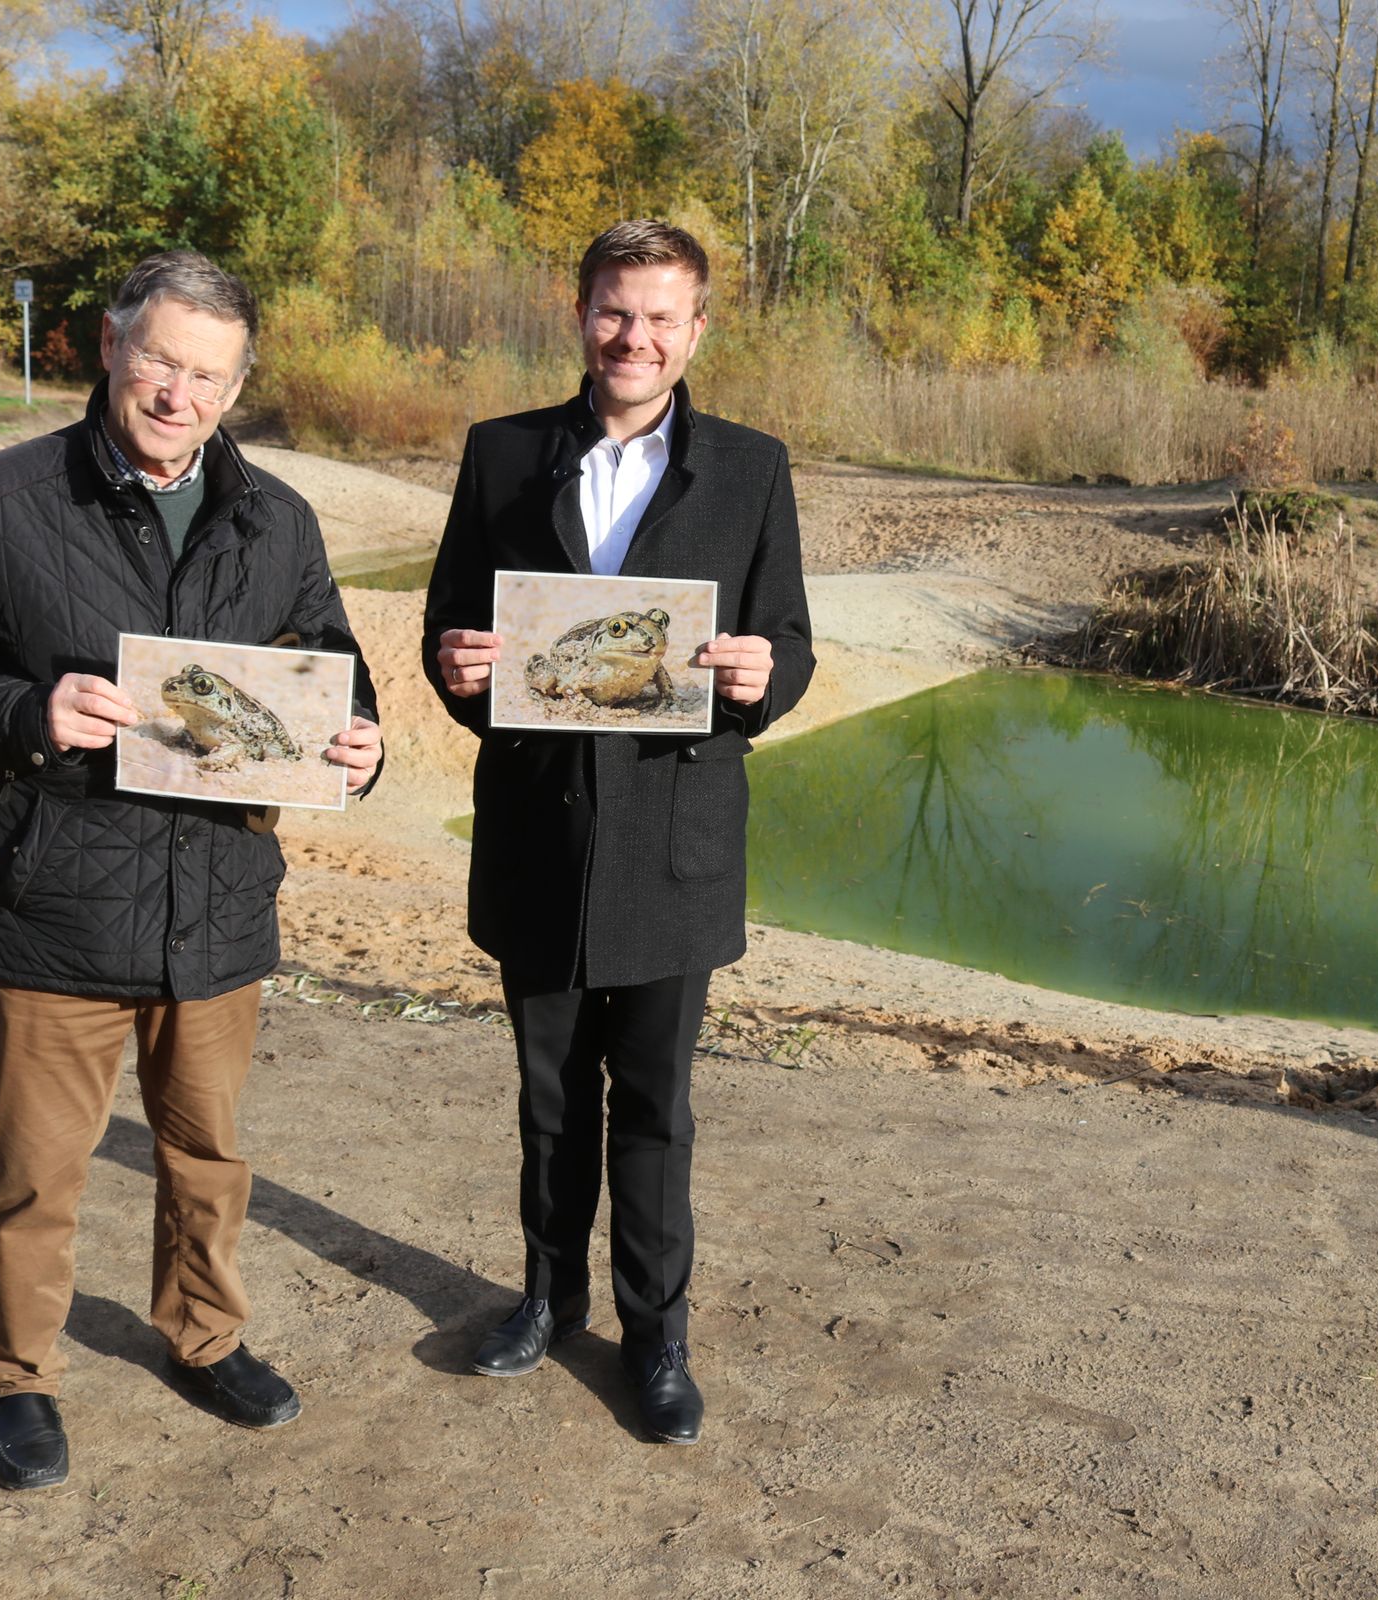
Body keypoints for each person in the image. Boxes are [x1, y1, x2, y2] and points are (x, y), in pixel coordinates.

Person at [0, 250, 384, 1490]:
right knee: (35, 1174)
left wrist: (360, 746)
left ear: (237, 384)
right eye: (158, 359)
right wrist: (27, 710)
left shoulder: (279, 520)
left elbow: (335, 673)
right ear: (111, 346)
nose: (176, 393)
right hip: (54, 908)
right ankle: (17, 1376)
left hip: (217, 907)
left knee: (206, 1158)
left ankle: (204, 1338)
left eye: (206, 374)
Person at [422, 219, 814, 1445]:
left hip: (674, 849)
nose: (632, 336)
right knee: (548, 1101)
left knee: (654, 1105)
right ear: (579, 313)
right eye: (612, 310)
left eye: (658, 315)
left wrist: (764, 676)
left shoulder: (752, 470)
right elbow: (451, 630)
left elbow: (789, 643)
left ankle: (656, 1338)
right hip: (537, 837)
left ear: (697, 329)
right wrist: (457, 669)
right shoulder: (500, 455)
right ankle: (548, 1298)